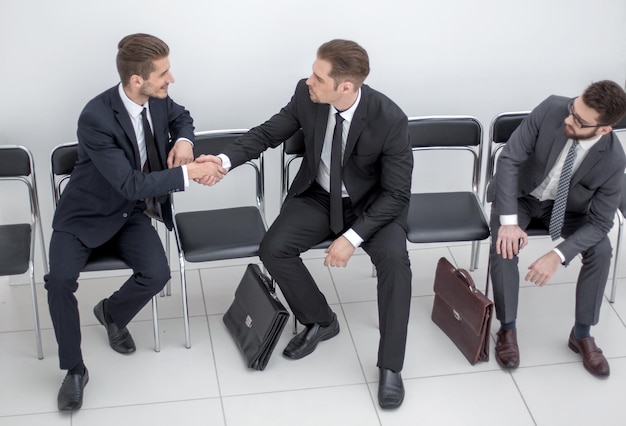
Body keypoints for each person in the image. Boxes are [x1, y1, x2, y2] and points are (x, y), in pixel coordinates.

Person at [198, 39, 413, 408]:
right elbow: (266, 134)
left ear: (345, 87)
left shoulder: (390, 119)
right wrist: (222, 161)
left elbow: (396, 195)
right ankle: (320, 319)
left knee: (395, 261)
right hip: (318, 195)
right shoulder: (306, 95)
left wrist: (352, 237)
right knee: (274, 248)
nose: (308, 80)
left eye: (318, 76)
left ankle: (391, 366)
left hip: (372, 207)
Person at [45, 33, 226, 411]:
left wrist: (185, 143)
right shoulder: (95, 117)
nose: (170, 79)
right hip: (85, 215)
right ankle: (75, 370)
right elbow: (129, 182)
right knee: (59, 281)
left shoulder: (157, 101)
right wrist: (189, 173)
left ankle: (112, 312)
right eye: (163, 73)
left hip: (129, 213)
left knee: (157, 274)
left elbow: (182, 116)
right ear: (136, 81)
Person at [486, 80, 626, 377]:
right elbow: (509, 159)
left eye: (578, 120)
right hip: (520, 197)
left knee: (602, 249)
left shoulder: (614, 159)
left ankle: (582, 332)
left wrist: (558, 255)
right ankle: (507, 329)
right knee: (504, 244)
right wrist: (509, 224)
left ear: (603, 129)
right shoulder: (552, 107)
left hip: (568, 210)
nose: (568, 118)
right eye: (573, 109)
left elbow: (602, 222)